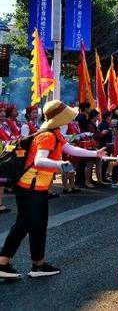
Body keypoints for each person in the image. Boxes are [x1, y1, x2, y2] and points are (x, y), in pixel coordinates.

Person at [0, 100, 105, 279]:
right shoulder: (47, 135)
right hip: (29, 187)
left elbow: (70, 148)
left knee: (38, 226)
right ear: (59, 118)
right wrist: (60, 164)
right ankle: (3, 264)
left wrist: (95, 154)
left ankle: (38, 265)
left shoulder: (55, 133)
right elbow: (39, 161)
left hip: (37, 187)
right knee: (24, 224)